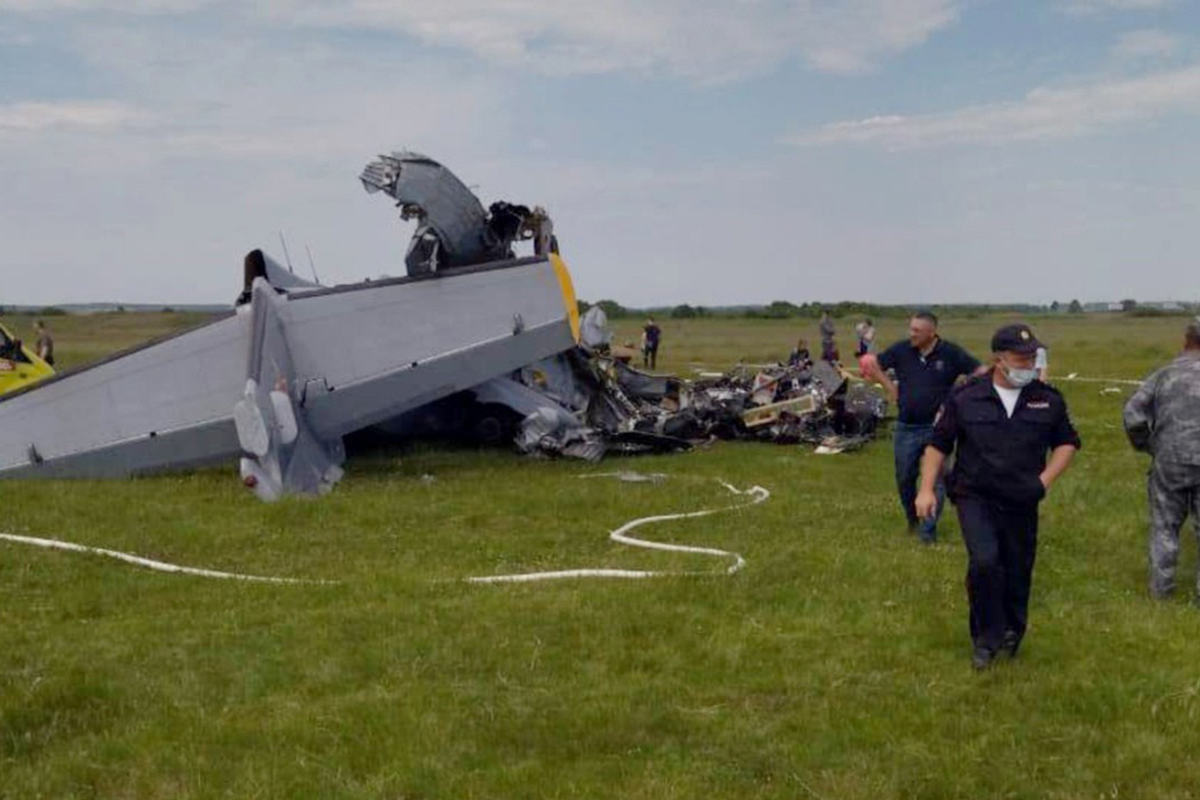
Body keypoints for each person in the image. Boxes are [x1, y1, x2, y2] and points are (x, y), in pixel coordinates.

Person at [916, 324, 1080, 670]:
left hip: (1022, 496)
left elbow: (1066, 443)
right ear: (999, 360)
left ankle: (1012, 630)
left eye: (1033, 358)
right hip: (975, 495)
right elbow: (938, 445)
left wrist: (1044, 481)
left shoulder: (1047, 399)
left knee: (1017, 566)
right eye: (1021, 359)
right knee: (985, 562)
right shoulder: (966, 396)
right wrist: (926, 489)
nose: (1029, 365)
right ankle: (985, 639)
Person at [862, 311, 981, 542]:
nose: (912, 334)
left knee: (936, 481)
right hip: (906, 426)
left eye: (917, 330)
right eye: (911, 329)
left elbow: (980, 372)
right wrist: (890, 387)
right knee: (905, 479)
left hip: (939, 429)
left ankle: (927, 533)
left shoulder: (951, 353)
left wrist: (957, 398)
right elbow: (873, 365)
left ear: (932, 332)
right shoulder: (901, 350)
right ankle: (913, 519)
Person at [1122, 317, 1200, 600]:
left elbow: (1133, 414)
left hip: (1170, 459)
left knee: (1165, 526)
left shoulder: (1164, 375)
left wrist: (1148, 445)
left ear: (1186, 340)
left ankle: (1161, 591)